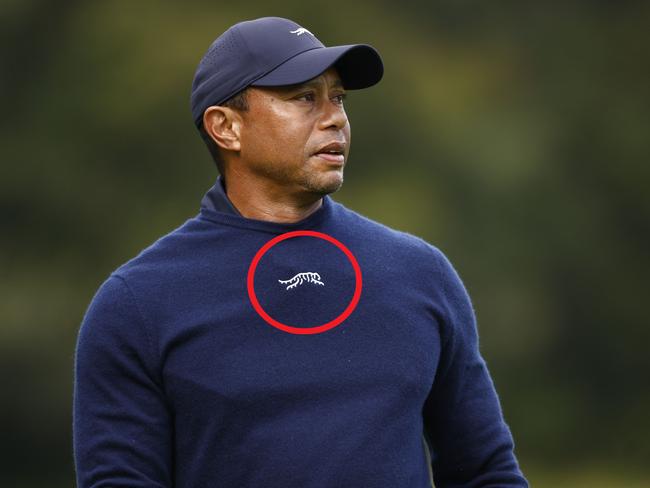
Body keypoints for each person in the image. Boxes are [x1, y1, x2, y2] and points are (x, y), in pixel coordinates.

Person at [73, 16, 528, 488]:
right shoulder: (138, 302)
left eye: (339, 98)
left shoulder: (419, 274)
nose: (335, 117)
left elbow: (486, 473)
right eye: (305, 97)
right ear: (226, 127)